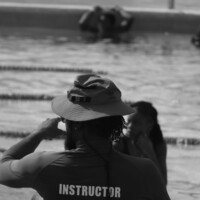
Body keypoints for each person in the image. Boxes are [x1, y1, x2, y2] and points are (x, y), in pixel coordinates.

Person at [0, 74, 170, 200]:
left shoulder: (41, 166)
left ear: (74, 124)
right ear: (117, 124)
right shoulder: (144, 171)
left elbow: (3, 166)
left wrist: (38, 134)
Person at [113, 101, 168, 185]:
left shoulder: (158, 144)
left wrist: (150, 152)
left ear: (150, 125)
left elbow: (163, 184)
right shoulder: (119, 143)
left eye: (136, 122)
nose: (130, 126)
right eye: (128, 121)